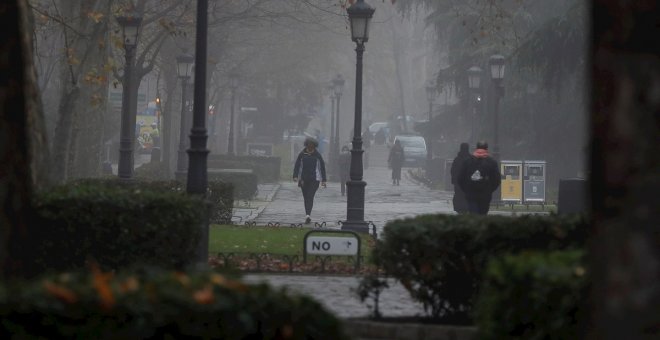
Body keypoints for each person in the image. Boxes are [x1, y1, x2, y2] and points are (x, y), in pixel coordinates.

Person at [458, 141, 501, 215]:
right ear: (487, 149)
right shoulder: (492, 162)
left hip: (471, 194)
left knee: (473, 215)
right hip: (485, 195)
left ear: (476, 148)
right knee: (483, 215)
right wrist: (490, 190)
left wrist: (467, 190)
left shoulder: (467, 161)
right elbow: (497, 180)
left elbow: (460, 178)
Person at [293, 137, 327, 223]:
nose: (310, 147)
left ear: (315, 146)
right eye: (309, 145)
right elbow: (297, 165)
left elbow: (322, 167)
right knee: (305, 197)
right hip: (303, 179)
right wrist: (295, 176)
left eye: (312, 146)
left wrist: (323, 180)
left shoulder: (317, 155)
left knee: (310, 196)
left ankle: (308, 215)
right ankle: (307, 214)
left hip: (315, 179)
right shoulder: (302, 154)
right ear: (306, 145)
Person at [450, 142, 471, 214]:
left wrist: (454, 180)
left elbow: (453, 171)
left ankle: (459, 209)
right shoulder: (471, 159)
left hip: (458, 183)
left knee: (459, 196)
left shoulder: (457, 159)